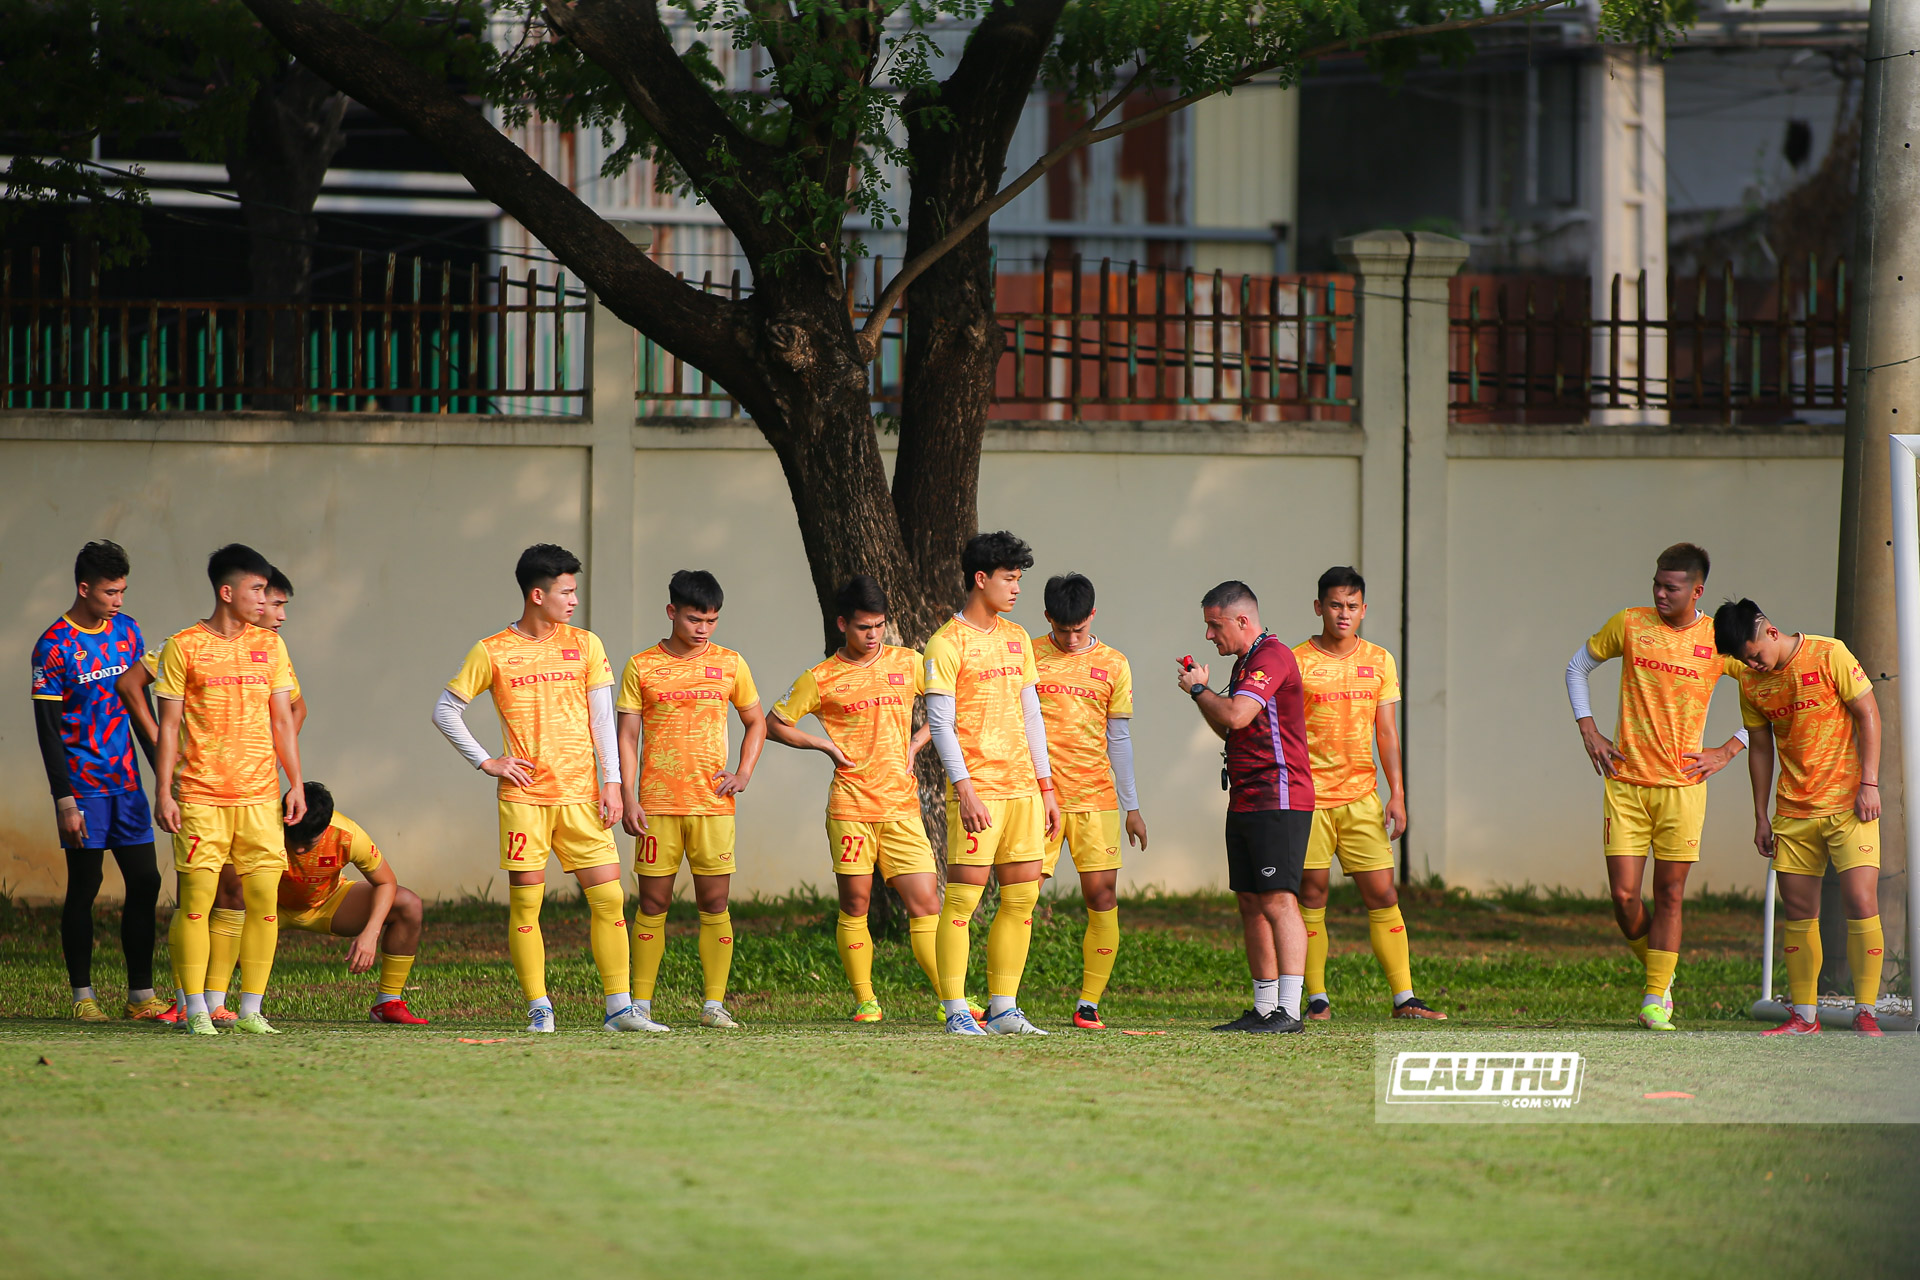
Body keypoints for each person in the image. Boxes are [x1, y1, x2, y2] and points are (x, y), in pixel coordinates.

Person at [434, 544, 646, 1034]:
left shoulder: (586, 645)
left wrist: (611, 784)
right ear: (537, 594)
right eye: (566, 591)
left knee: (609, 899)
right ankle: (540, 1008)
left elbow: (601, 723)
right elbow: (445, 711)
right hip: (525, 801)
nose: (573, 599)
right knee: (527, 905)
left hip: (583, 798)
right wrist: (487, 761)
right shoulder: (491, 650)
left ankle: (619, 1009)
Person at [1565, 544, 1747, 1030]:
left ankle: (1652, 999)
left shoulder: (1717, 638)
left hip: (1683, 790)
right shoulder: (1629, 623)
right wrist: (1589, 729)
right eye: (1657, 584)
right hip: (1625, 783)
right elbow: (1577, 667)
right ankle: (1662, 974)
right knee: (1625, 900)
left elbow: (1768, 689)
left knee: (1669, 896)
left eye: (1672, 587)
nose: (1661, 593)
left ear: (1697, 590)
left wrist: (1727, 750)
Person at [767, 574, 942, 1023]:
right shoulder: (821, 677)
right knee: (856, 905)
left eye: (879, 626)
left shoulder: (908, 663)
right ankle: (866, 1000)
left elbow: (951, 706)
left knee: (927, 904)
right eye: (864, 627)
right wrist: (823, 745)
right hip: (851, 808)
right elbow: (774, 722)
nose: (872, 635)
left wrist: (917, 742)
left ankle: (952, 1000)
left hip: (901, 807)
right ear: (843, 624)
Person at [151, 543, 305, 1036]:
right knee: (195, 902)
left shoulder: (272, 646)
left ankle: (251, 1009)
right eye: (257, 590)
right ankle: (195, 1008)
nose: (264, 600)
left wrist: (295, 782)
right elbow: (168, 726)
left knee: (262, 903)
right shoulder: (183, 646)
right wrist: (163, 792)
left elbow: (283, 719)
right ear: (227, 591)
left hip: (260, 798)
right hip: (200, 798)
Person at [1715, 600, 1886, 1037]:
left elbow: (1869, 714)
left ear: (1769, 631)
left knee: (1861, 903)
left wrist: (1869, 783)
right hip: (1793, 810)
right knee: (1798, 911)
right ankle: (1804, 1017)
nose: (1752, 664)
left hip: (1850, 805)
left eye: (1753, 654)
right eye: (1743, 660)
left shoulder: (1830, 654)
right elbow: (1760, 747)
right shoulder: (1752, 683)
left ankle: (1865, 1011)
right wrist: (1760, 815)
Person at [923, 530, 1061, 1036]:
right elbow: (940, 724)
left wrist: (1046, 789)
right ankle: (958, 1009)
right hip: (978, 792)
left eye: (1019, 578)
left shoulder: (1018, 637)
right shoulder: (945, 642)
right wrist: (964, 788)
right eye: (1009, 578)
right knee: (962, 900)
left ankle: (1004, 1009)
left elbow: (1032, 717)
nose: (1017, 588)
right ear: (980, 580)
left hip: (1024, 790)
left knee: (1021, 898)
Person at [616, 569, 767, 1030]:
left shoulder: (730, 663)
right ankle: (639, 1004)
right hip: (657, 805)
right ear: (672, 613)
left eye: (711, 620)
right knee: (652, 904)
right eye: (694, 619)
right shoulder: (641, 665)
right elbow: (626, 735)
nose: (703, 629)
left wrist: (743, 773)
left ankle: (713, 1004)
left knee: (715, 904)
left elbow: (756, 722)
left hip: (712, 804)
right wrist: (629, 796)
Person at [1292, 567, 1443, 1021]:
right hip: (1309, 799)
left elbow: (1387, 733)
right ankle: (1316, 999)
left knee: (1383, 893)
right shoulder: (1296, 659)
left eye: (1352, 606)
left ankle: (1405, 999)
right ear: (1318, 607)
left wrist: (1397, 794)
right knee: (1312, 895)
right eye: (1335, 605)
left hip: (1362, 797)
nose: (1343, 614)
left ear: (1363, 610)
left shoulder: (1380, 660)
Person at [32, 540, 167, 1022]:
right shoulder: (53, 646)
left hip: (126, 785)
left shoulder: (128, 632)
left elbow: (140, 711)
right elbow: (48, 731)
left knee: (146, 880)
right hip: (83, 788)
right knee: (85, 886)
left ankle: (140, 998)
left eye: (123, 591)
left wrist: (162, 777)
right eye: (111, 592)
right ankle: (83, 997)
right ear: (84, 588)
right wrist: (63, 799)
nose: (119, 600)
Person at [1178, 580, 1309, 1034]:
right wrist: (1204, 694)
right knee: (1251, 902)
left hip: (1279, 795)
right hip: (1247, 797)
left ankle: (1290, 1011)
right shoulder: (1244, 664)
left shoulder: (1272, 656)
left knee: (1278, 901)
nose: (1210, 636)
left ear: (1242, 620)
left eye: (1215, 626)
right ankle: (1263, 1007)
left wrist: (1199, 692)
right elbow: (1230, 730)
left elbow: (1235, 715)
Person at [1032, 572, 1147, 1030]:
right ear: (1048, 620)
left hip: (1095, 799)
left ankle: (1088, 1004)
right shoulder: (1028, 654)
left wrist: (1132, 806)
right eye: (1063, 630)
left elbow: (1119, 738)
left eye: (1079, 628)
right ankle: (1002, 1001)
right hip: (1038, 799)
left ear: (1092, 616)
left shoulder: (1115, 663)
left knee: (1101, 897)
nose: (1072, 638)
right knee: (1022, 897)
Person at [274, 781, 428, 1024]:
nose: (301, 850)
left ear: (325, 829)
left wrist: (371, 932)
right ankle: (200, 1003)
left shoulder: (348, 834)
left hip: (327, 902)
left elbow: (386, 883)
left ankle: (387, 1003)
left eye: (309, 843)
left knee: (407, 903)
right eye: (295, 841)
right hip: (268, 904)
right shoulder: (263, 823)